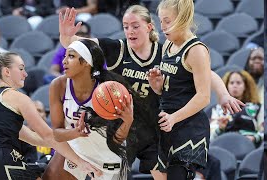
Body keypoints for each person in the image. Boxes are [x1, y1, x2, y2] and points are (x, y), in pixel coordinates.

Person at [58, 6, 244, 180]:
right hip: (120, 128)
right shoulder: (116, 49)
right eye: (126, 26)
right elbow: (77, 45)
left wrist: (224, 94)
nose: (130, 31)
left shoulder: (165, 52)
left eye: (135, 26)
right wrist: (66, 39)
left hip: (152, 129)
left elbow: (207, 74)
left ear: (149, 27)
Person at [0, 51, 101, 180]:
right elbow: (49, 136)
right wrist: (80, 162)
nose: (25, 74)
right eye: (21, 69)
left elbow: (33, 138)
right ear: (7, 72)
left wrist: (71, 136)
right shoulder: (17, 97)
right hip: (0, 160)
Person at [43, 39, 149, 179]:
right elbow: (56, 133)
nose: (64, 61)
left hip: (106, 154)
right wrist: (76, 132)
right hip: (76, 149)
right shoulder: (58, 85)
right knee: (50, 175)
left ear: (86, 62)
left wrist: (127, 121)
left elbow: (116, 140)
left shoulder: (110, 91)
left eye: (71, 56)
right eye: (65, 56)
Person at [147, 0, 211, 179]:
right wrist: (157, 86)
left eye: (167, 21)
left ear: (182, 19)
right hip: (168, 122)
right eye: (161, 21)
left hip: (188, 127)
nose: (162, 27)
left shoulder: (196, 50)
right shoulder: (168, 45)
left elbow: (204, 97)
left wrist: (174, 118)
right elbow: (173, 89)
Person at [210, 70, 263, 147]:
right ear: (226, 86)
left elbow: (263, 132)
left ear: (245, 86)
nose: (235, 85)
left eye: (238, 83)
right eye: (231, 83)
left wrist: (254, 138)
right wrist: (220, 128)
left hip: (249, 146)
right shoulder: (218, 108)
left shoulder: (257, 108)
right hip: (224, 145)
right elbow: (211, 138)